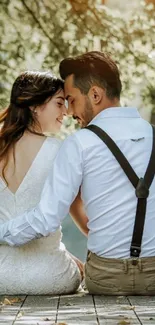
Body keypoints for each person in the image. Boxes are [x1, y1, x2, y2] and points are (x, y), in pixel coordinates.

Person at [0, 51, 155, 295]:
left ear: (95, 95)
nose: (69, 112)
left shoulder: (79, 143)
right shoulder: (152, 135)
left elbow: (48, 218)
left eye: (70, 100)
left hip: (105, 278)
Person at [0, 71, 82, 295]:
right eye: (59, 103)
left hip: (1, 275)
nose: (65, 111)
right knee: (76, 267)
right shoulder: (58, 149)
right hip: (50, 277)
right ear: (35, 105)